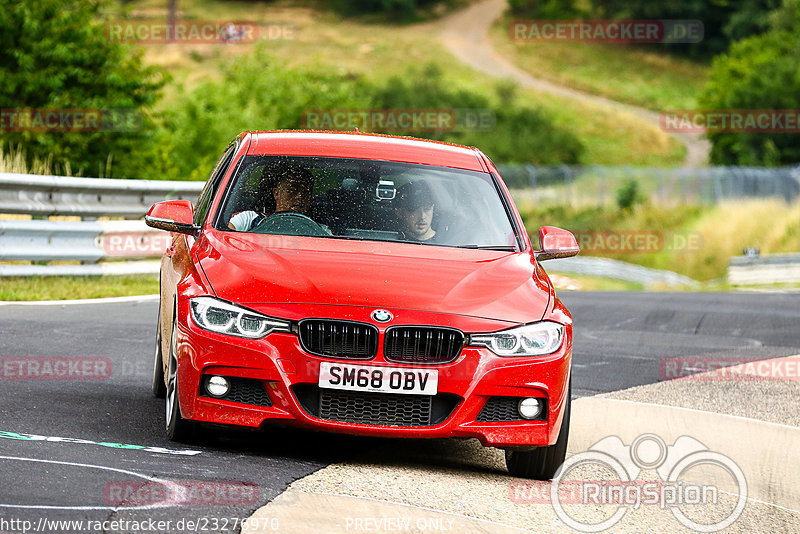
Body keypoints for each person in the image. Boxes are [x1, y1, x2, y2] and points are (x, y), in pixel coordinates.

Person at [228, 167, 315, 232]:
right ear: (276, 193)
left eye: (306, 192)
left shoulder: (321, 230)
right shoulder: (249, 220)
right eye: (293, 190)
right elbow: (224, 239)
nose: (300, 196)